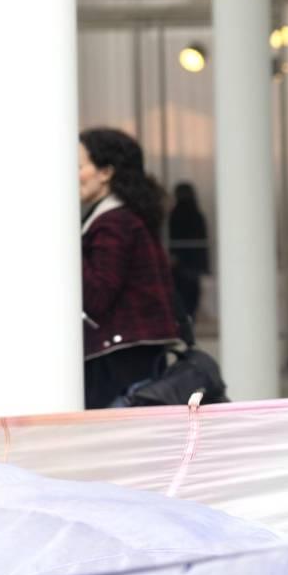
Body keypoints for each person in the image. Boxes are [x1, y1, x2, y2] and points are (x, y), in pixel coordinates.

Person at [78, 128, 182, 409]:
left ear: (105, 172)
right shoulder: (130, 215)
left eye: (79, 166)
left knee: (112, 445)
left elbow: (97, 295)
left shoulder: (113, 222)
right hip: (136, 356)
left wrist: (65, 247)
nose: (73, 176)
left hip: (119, 364)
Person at [166, 182, 210, 326]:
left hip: (182, 264)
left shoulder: (177, 214)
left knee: (183, 298)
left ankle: (184, 325)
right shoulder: (196, 214)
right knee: (190, 298)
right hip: (190, 264)